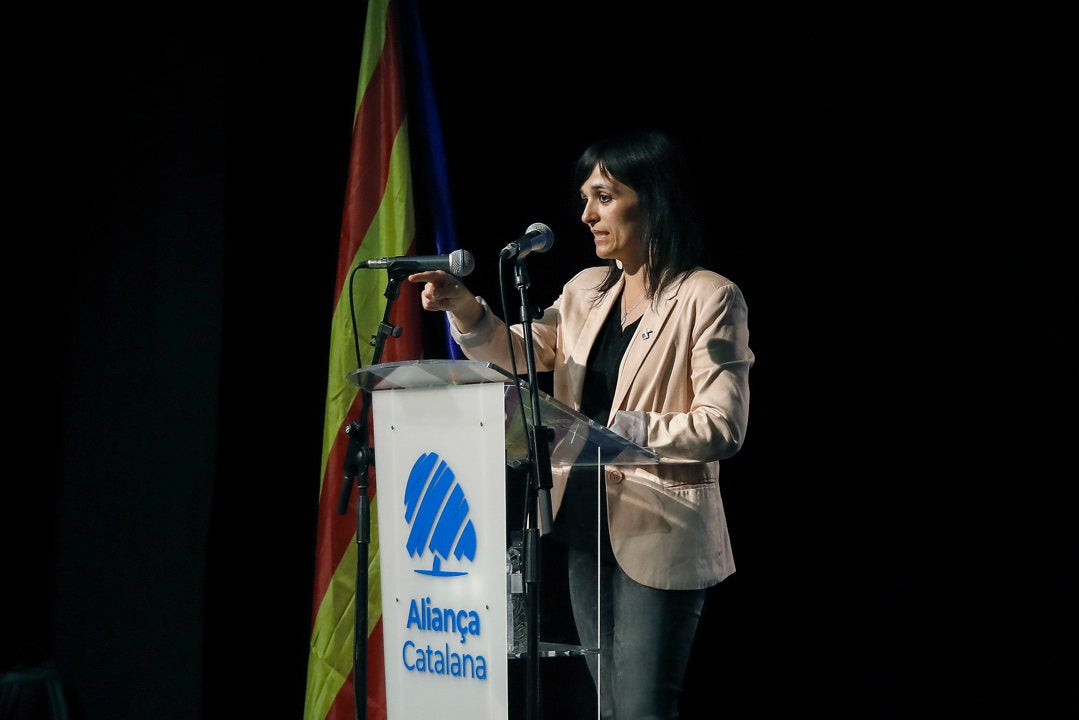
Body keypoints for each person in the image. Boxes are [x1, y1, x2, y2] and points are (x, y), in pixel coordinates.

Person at [408, 129, 753, 718]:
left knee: (642, 707)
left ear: (653, 199)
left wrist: (625, 432)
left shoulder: (708, 297)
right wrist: (465, 307)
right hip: (583, 528)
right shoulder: (587, 290)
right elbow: (518, 353)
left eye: (604, 197)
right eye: (586, 198)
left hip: (660, 525)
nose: (587, 213)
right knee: (607, 706)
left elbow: (724, 425)